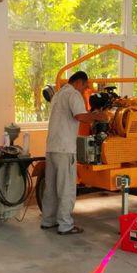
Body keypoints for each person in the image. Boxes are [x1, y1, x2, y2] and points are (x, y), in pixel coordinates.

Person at [41, 71, 107, 235]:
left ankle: (48, 220)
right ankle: (65, 225)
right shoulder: (73, 94)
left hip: (52, 148)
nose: (85, 90)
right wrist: (99, 116)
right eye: (85, 86)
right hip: (65, 149)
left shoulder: (58, 95)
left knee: (51, 188)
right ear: (78, 82)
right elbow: (80, 116)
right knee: (66, 188)